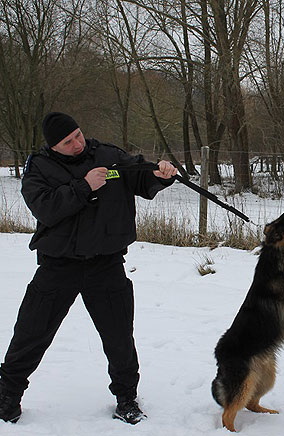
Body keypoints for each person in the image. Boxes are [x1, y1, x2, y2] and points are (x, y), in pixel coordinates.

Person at [0, 112, 177, 425]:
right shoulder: (39, 168)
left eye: (78, 135)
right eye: (67, 142)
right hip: (58, 265)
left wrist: (161, 176)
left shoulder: (108, 156)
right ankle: (7, 397)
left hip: (106, 264)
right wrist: (83, 186)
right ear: (53, 146)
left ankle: (127, 399)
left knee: (119, 336)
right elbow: (44, 207)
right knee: (31, 333)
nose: (77, 144)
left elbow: (140, 177)